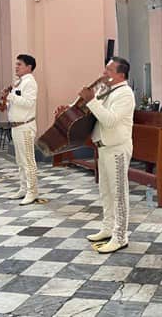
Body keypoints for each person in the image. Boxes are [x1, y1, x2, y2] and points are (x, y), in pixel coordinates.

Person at [67, 57, 135, 254]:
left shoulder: (125, 94)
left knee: (119, 194)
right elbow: (89, 113)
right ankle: (108, 228)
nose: (104, 74)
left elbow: (110, 120)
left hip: (117, 149)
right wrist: (70, 110)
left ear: (120, 75)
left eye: (109, 71)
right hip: (103, 148)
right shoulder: (106, 90)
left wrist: (91, 100)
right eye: (105, 69)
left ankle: (120, 236)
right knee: (105, 191)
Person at [2, 55, 39, 205]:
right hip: (16, 126)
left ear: (29, 67)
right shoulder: (20, 82)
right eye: (16, 64)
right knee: (20, 161)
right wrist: (6, 100)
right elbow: (16, 104)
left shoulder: (30, 82)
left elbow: (29, 103)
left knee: (28, 160)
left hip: (25, 127)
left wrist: (10, 96)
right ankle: (23, 188)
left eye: (19, 64)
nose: (16, 67)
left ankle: (32, 191)